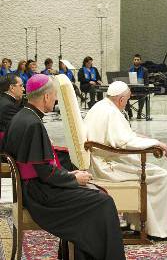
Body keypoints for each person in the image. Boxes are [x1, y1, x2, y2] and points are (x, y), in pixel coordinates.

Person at [1, 74, 125, 259]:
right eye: (55, 95)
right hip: (39, 195)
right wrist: (73, 177)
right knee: (102, 201)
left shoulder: (23, 115)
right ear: (46, 97)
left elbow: (42, 165)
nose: (56, 99)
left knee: (95, 196)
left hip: (31, 189)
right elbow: (45, 173)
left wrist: (68, 174)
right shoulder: (33, 123)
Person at [84, 81, 167, 241]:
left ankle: (136, 225)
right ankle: (159, 231)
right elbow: (125, 143)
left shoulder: (100, 106)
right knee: (160, 175)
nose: (127, 103)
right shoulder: (112, 112)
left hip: (99, 161)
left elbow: (122, 136)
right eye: (127, 100)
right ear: (121, 99)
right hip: (107, 167)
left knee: (141, 167)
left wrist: (144, 138)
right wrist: (155, 143)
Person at [0, 74, 24, 144]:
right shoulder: (8, 106)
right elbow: (20, 130)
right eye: (21, 85)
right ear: (12, 88)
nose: (23, 89)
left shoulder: (3, 100)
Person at [128, 53, 149, 119]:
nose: (136, 61)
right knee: (124, 96)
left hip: (141, 89)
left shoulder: (144, 70)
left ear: (140, 61)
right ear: (133, 60)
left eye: (138, 60)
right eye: (135, 59)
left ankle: (139, 113)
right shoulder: (130, 70)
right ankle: (129, 113)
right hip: (132, 89)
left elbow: (146, 83)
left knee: (142, 96)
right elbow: (128, 81)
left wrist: (145, 89)